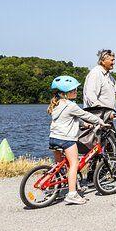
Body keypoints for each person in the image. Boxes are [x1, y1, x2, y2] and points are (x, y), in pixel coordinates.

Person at [48, 75, 108, 205]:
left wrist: (83, 125)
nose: (76, 92)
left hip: (53, 138)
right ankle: (72, 194)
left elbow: (70, 118)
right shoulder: (71, 105)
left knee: (59, 167)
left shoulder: (57, 104)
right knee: (74, 164)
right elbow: (86, 115)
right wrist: (100, 121)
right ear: (66, 93)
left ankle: (54, 188)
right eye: (74, 90)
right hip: (66, 140)